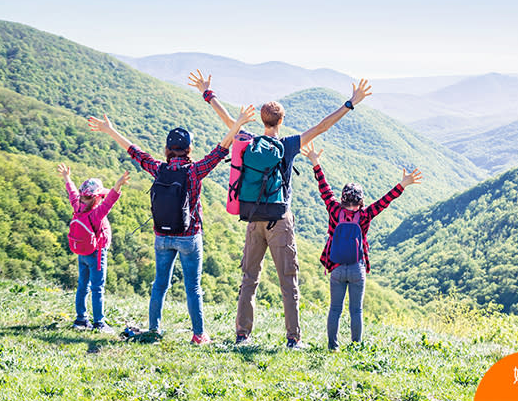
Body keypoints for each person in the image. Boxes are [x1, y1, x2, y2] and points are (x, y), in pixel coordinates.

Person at [188, 69, 372, 348]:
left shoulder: (248, 139)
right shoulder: (287, 145)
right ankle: (292, 338)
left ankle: (242, 334)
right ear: (281, 121)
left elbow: (228, 121)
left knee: (249, 277)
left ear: (262, 119)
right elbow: (322, 127)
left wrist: (207, 93)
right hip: (280, 221)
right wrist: (350, 102)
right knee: (288, 280)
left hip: (252, 218)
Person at [88, 106, 255, 344]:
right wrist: (237, 124)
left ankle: (154, 329)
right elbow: (220, 150)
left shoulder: (159, 169)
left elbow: (136, 153)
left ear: (167, 150)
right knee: (193, 288)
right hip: (189, 236)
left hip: (162, 236)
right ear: (189, 149)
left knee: (159, 284)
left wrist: (110, 130)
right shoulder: (194, 171)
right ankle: (198, 335)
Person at [301, 142, 422, 350]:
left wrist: (315, 162)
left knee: (335, 309)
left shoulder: (334, 210)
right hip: (357, 267)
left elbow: (324, 188)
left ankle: (333, 346)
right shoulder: (365, 215)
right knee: (356, 311)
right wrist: (403, 183)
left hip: (336, 266)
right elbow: (385, 201)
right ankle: (356, 347)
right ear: (361, 201)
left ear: (342, 199)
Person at [58, 164, 130, 333]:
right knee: (97, 287)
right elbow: (110, 201)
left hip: (81, 253)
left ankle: (81, 320)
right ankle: (99, 322)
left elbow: (72, 192)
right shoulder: (96, 214)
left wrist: (67, 178)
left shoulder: (77, 206)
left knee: (82, 285)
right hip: (96, 253)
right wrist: (117, 186)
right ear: (97, 198)